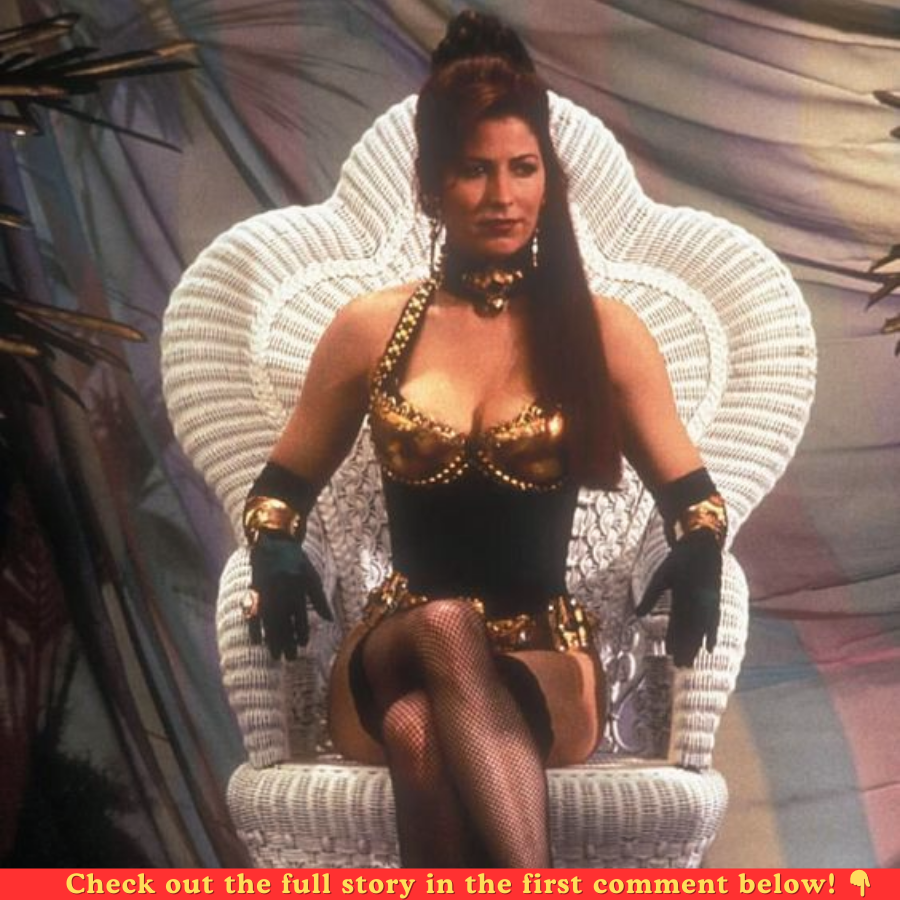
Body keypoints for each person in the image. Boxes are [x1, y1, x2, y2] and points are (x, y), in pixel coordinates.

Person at [239, 10, 727, 868]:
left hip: (544, 660)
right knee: (443, 623)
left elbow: (694, 496)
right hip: (395, 644)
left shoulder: (602, 331)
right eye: (475, 170)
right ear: (433, 186)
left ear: (549, 180)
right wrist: (273, 547)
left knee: (421, 731)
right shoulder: (369, 329)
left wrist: (699, 549)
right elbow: (280, 490)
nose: (503, 196)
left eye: (522, 168)